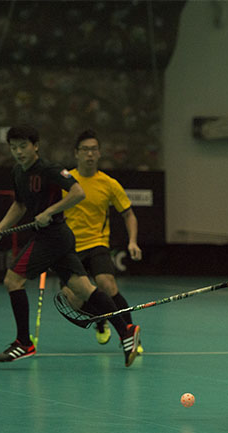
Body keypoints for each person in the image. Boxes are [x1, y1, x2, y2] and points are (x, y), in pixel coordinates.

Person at [0, 125, 140, 366]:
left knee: (12, 280)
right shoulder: (18, 172)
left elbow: (78, 193)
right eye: (13, 147)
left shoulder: (49, 170)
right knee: (83, 289)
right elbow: (19, 206)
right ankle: (126, 331)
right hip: (59, 238)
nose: (18, 152)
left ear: (35, 146)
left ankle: (23, 342)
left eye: (23, 146)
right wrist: (0, 228)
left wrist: (50, 211)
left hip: (52, 236)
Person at [62, 129, 142, 349]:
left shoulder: (109, 183)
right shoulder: (65, 180)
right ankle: (100, 320)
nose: (89, 154)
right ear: (76, 153)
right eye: (85, 150)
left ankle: (130, 336)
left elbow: (128, 214)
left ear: (99, 154)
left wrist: (132, 241)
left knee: (107, 284)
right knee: (73, 299)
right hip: (69, 248)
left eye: (94, 150)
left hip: (97, 244)